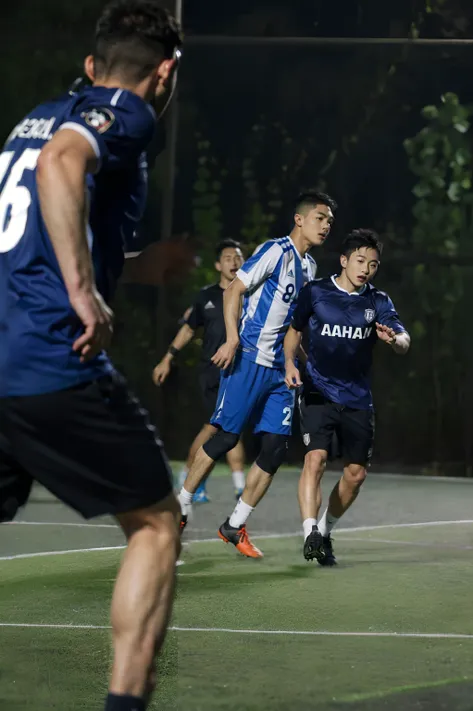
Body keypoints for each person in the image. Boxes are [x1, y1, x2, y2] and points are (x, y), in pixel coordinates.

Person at [0, 2, 183, 710]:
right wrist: (83, 291)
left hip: (6, 353)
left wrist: (131, 266)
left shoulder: (38, 115)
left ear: (89, 64)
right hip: (49, 361)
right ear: (164, 72)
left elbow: (37, 224)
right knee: (157, 520)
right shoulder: (126, 111)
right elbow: (61, 166)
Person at [178, 190, 337, 557]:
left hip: (279, 373)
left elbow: (293, 329)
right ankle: (181, 507)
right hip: (249, 358)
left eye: (329, 221)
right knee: (224, 438)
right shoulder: (275, 251)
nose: (326, 225)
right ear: (299, 219)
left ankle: (234, 525)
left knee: (275, 448)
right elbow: (233, 291)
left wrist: (302, 363)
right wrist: (232, 339)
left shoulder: (310, 268)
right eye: (320, 217)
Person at [284, 229, 411, 566]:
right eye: (359, 261)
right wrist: (289, 363)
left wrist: (394, 340)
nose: (365, 268)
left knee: (355, 474)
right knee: (316, 459)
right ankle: (310, 530)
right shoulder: (316, 292)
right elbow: (294, 332)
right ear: (344, 260)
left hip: (357, 398)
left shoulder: (378, 301)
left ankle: (324, 532)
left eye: (372, 264)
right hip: (317, 390)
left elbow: (404, 341)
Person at [152, 239, 247, 502]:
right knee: (218, 426)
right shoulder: (206, 296)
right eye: (228, 257)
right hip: (213, 371)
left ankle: (200, 480)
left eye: (238, 257)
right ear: (218, 264)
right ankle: (197, 479)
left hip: (241, 370)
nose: (234, 261)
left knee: (227, 427)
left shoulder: (251, 294)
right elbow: (188, 328)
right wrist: (167, 358)